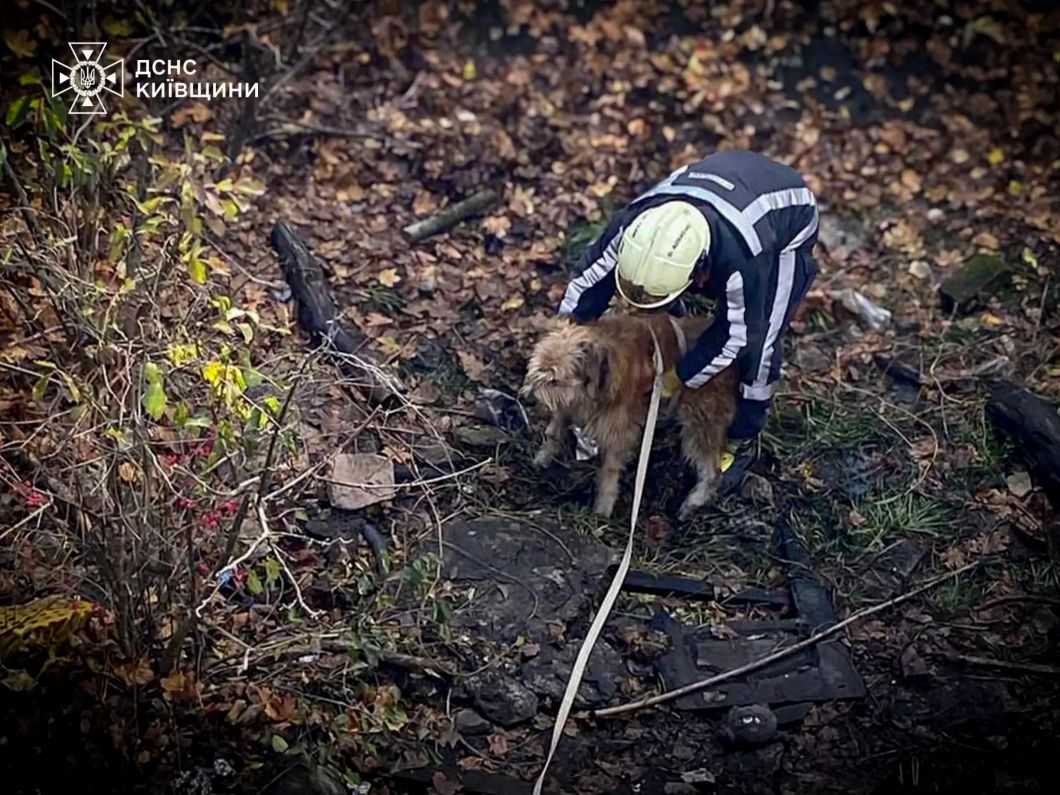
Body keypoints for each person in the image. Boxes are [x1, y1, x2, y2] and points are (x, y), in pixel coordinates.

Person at [558, 150, 818, 470]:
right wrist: (565, 341)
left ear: (699, 271)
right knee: (672, 314)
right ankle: (680, 320)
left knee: (761, 342)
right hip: (718, 187)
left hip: (786, 218)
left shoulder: (743, 261)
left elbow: (736, 337)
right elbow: (586, 282)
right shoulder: (634, 227)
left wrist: (677, 377)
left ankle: (741, 437)